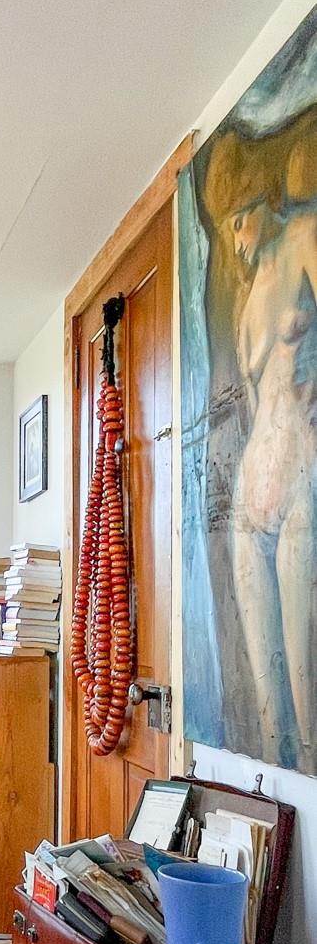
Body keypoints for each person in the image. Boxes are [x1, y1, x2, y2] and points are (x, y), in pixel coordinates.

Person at [204, 115, 317, 767]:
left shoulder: (305, 238)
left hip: (301, 473)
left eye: (239, 220)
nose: (235, 238)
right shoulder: (247, 305)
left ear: (259, 203)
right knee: (265, 698)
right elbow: (249, 410)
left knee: (303, 680)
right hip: (255, 492)